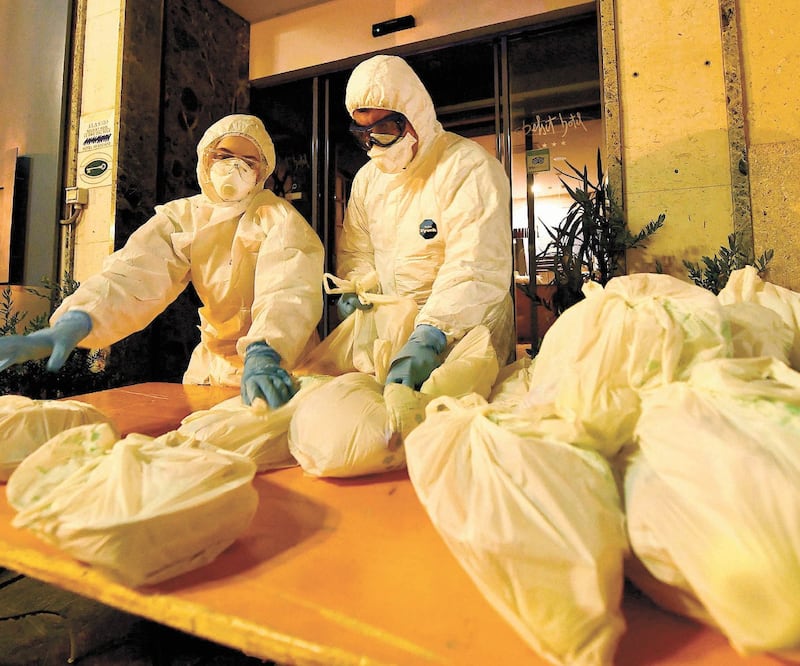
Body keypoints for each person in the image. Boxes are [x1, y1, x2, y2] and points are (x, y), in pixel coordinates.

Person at [0, 114, 324, 408]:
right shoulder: (183, 217)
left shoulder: (278, 218)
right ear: (206, 159)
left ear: (262, 171)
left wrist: (266, 351)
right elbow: (132, 275)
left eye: (247, 162)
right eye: (224, 156)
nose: (233, 168)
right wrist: (78, 319)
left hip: (280, 365)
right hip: (212, 369)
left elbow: (287, 290)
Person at [337, 54, 514, 389]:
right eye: (363, 134)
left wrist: (433, 333)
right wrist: (358, 284)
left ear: (414, 115)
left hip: (466, 335)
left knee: (461, 413)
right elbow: (357, 250)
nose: (373, 145)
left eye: (384, 130)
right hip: (395, 340)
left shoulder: (467, 167)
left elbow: (476, 264)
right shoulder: (368, 181)